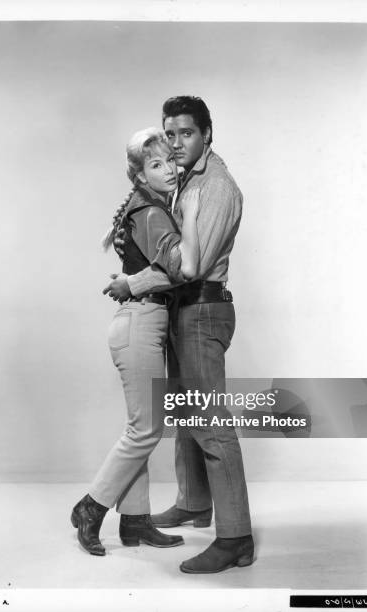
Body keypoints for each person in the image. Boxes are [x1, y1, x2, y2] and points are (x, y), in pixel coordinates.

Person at [104, 96, 254, 574]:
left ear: (208, 134)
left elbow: (194, 266)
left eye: (186, 133)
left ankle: (235, 539)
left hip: (202, 308)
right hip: (182, 310)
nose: (175, 143)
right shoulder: (180, 180)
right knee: (186, 415)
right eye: (169, 134)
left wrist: (134, 283)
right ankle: (194, 504)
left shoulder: (216, 187)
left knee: (211, 423)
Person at [71, 127, 201, 556]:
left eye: (169, 162)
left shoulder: (147, 208)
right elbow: (182, 268)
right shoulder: (152, 213)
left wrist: (132, 280)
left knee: (140, 427)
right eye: (155, 164)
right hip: (141, 323)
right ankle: (91, 507)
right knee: (146, 430)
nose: (167, 170)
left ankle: (136, 521)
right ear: (140, 175)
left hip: (142, 322)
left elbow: (164, 270)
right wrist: (135, 282)